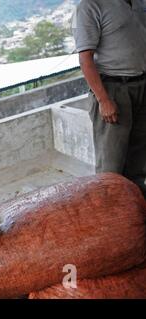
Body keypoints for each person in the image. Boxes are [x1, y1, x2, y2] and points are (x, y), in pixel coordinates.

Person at [72, 0, 146, 197]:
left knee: (138, 159)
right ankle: (110, 213)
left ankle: (135, 211)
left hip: (141, 84)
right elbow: (85, 58)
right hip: (113, 90)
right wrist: (103, 100)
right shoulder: (90, 6)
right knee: (111, 165)